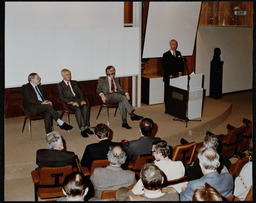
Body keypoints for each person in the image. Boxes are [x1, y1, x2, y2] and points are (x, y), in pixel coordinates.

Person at [57, 69, 93, 138]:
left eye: (70, 74)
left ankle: (86, 127)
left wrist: (82, 100)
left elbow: (80, 92)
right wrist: (71, 102)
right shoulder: (60, 85)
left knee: (85, 107)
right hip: (69, 102)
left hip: (78, 100)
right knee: (77, 109)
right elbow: (60, 97)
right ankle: (82, 129)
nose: (69, 76)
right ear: (62, 75)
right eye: (67, 74)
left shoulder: (74, 82)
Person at [162, 39, 184, 113]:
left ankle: (175, 108)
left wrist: (180, 72)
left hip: (177, 77)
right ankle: (167, 109)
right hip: (169, 77)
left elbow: (181, 64)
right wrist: (169, 75)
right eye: (173, 44)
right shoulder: (166, 54)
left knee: (176, 94)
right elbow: (164, 66)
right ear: (170, 45)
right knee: (168, 94)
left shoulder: (178, 53)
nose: (174, 46)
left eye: (175, 44)